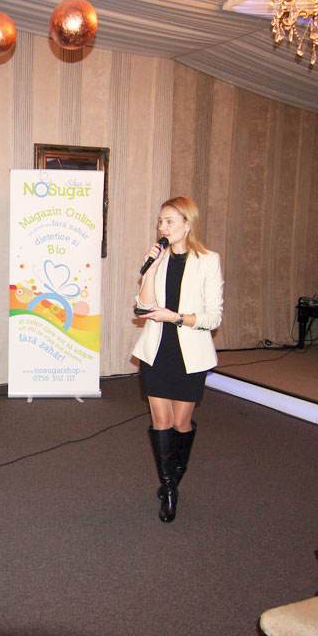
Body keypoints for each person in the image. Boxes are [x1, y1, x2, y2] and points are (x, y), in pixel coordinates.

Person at [132, 196, 223, 523]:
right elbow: (142, 308)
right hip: (156, 352)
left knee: (180, 424)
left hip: (189, 354)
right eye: (160, 221)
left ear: (187, 224)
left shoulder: (208, 260)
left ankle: (172, 478)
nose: (163, 227)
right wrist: (151, 269)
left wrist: (176, 317)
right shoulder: (159, 259)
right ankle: (170, 489)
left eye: (169, 221)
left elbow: (213, 317)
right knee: (161, 421)